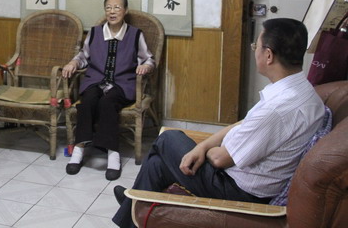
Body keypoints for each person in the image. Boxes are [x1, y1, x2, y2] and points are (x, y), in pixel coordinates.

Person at [112, 18, 326, 228]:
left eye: (256, 46)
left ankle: (132, 206)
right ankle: (131, 211)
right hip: (247, 177)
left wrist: (204, 150)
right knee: (158, 164)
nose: (255, 51)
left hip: (238, 191)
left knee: (168, 139)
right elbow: (243, 123)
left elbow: (219, 159)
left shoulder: (276, 110)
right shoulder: (305, 92)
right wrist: (203, 146)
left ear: (268, 55)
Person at [62, 0, 155, 181]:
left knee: (107, 103)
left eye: (117, 7)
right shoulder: (95, 32)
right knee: (87, 101)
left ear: (125, 11)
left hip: (122, 84)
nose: (112, 12)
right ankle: (79, 149)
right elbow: (83, 56)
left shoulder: (135, 34)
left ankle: (113, 154)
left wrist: (146, 66)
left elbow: (149, 59)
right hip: (95, 80)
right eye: (108, 8)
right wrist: (73, 63)